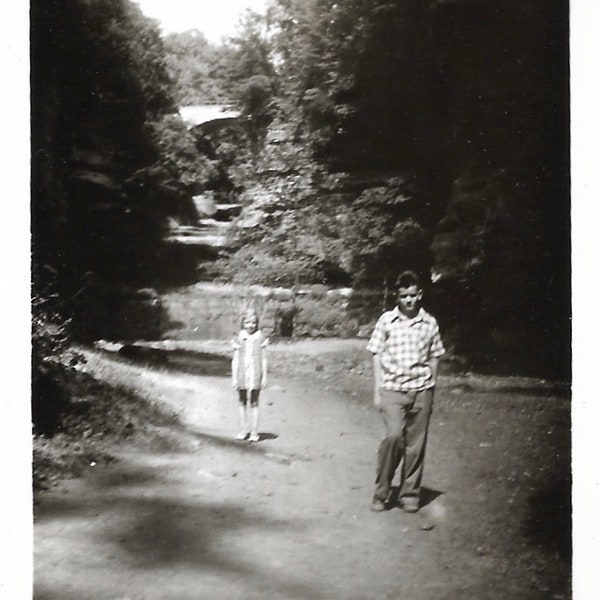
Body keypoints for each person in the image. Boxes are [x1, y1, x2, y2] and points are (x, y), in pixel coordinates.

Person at [366, 270, 445, 513]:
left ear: (420, 295)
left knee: (415, 444)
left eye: (413, 295)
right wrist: (378, 390)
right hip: (392, 389)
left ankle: (409, 492)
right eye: (403, 296)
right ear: (396, 297)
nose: (409, 300)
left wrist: (430, 384)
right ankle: (382, 492)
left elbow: (435, 355)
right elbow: (376, 355)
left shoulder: (429, 322)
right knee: (393, 437)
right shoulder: (386, 321)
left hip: (421, 390)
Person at [231, 309, 268, 442]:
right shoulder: (239, 338)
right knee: (242, 401)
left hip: (255, 373)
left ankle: (254, 432)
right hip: (242, 373)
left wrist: (264, 377)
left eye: (253, 322)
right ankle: (243, 430)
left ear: (257, 323)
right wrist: (234, 377)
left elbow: (263, 359)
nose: (251, 325)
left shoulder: (260, 337)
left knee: (254, 402)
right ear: (243, 323)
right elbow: (235, 359)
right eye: (247, 322)